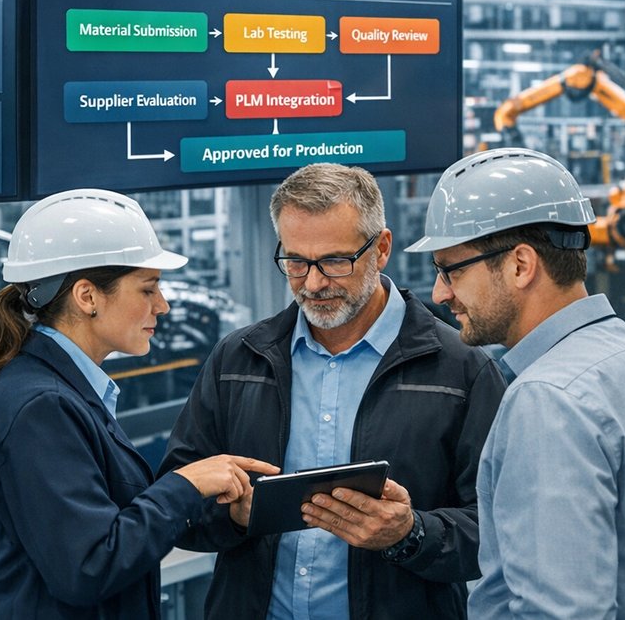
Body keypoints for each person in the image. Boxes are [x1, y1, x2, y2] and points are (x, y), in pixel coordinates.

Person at [160, 162, 506, 619]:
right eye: (296, 262)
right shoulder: (237, 361)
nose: (315, 282)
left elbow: (500, 530)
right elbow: (174, 503)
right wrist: (233, 516)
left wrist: (412, 533)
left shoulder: (463, 373)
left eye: (336, 261)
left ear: (381, 249)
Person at [405, 148, 625, 618]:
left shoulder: (548, 401)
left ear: (520, 265)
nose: (440, 293)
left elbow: (560, 611)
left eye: (451, 269)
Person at [0, 188, 279, 620]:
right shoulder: (40, 407)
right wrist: (186, 485)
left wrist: (232, 517)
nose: (162, 306)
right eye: (148, 289)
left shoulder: (54, 391)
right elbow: (88, 566)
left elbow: (105, 529)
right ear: (87, 297)